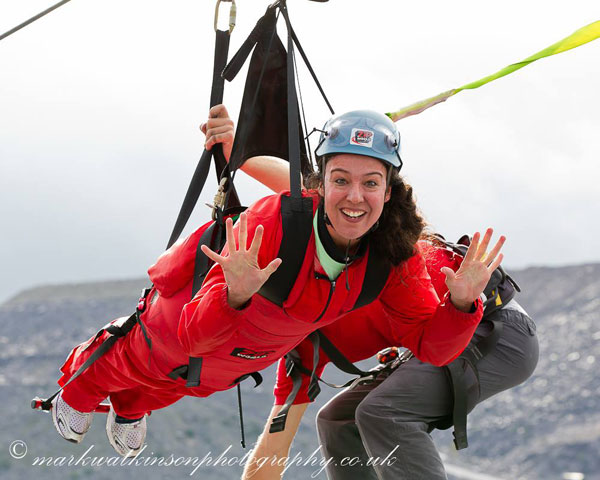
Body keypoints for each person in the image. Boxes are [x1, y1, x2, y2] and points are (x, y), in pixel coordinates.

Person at [50, 105, 504, 459]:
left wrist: (461, 306)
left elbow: (431, 346)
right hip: (187, 322)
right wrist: (234, 293)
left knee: (191, 383)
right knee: (143, 360)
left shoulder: (391, 254)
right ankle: (77, 391)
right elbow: (193, 333)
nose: (355, 196)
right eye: (341, 180)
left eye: (370, 183)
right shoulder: (276, 223)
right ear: (320, 184)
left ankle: (130, 408)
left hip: (248, 350)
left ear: (388, 191)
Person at [203, 115, 538, 479]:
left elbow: (312, 192)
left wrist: (236, 148)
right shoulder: (302, 353)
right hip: (443, 336)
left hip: (494, 328)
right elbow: (273, 450)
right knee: (336, 420)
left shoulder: (368, 252)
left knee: (381, 412)